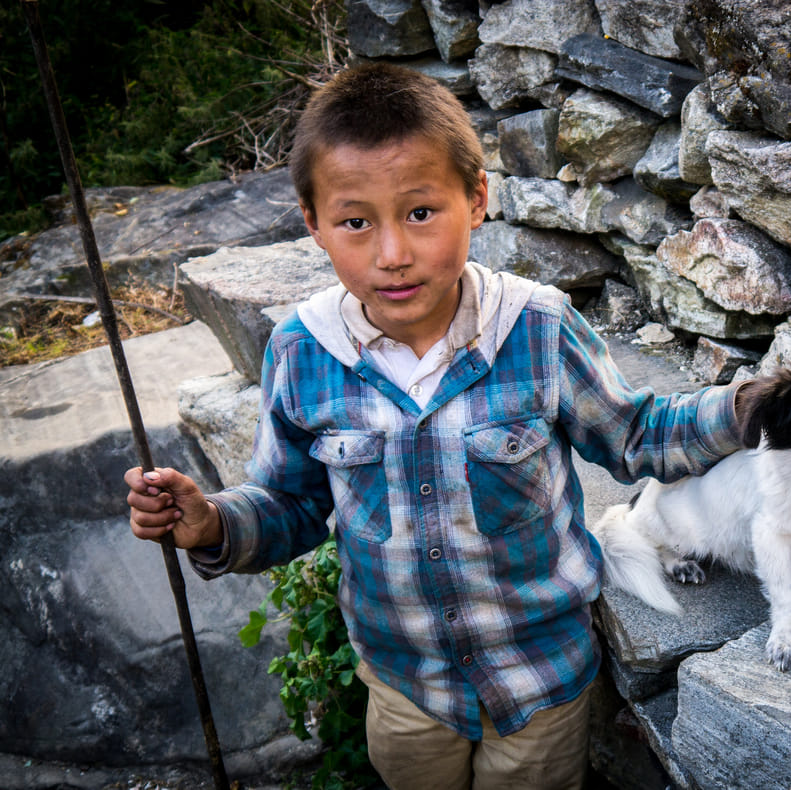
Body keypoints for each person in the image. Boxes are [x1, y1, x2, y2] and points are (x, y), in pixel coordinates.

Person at [125, 62, 745, 790]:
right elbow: (292, 506)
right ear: (313, 223)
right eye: (355, 222)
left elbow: (636, 434)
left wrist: (746, 408)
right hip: (402, 685)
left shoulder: (537, 328)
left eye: (420, 212)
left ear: (476, 199)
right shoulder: (301, 351)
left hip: (541, 680)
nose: (392, 254)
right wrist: (211, 525)